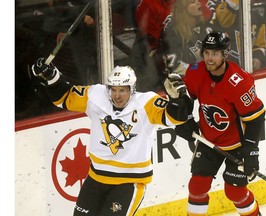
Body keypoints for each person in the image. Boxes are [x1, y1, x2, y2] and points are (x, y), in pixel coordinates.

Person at [31, 58, 191, 215]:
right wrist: (52, 76)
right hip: (96, 178)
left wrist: (177, 99)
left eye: (122, 90)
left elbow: (175, 118)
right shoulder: (96, 96)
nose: (117, 95)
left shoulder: (146, 103)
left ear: (132, 89)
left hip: (129, 183)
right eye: (113, 89)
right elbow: (64, 98)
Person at [175, 31, 265, 215]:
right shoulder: (195, 72)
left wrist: (251, 150)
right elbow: (186, 99)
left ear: (225, 54)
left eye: (215, 53)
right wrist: (185, 119)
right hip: (209, 141)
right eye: (206, 52)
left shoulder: (239, 81)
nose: (209, 58)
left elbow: (256, 117)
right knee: (197, 187)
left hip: (238, 145)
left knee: (235, 192)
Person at [206, 0, 266, 70]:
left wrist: (257, 59)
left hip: (245, 70)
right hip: (223, 70)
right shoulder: (220, 9)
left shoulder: (257, 17)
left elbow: (259, 45)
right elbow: (226, 19)